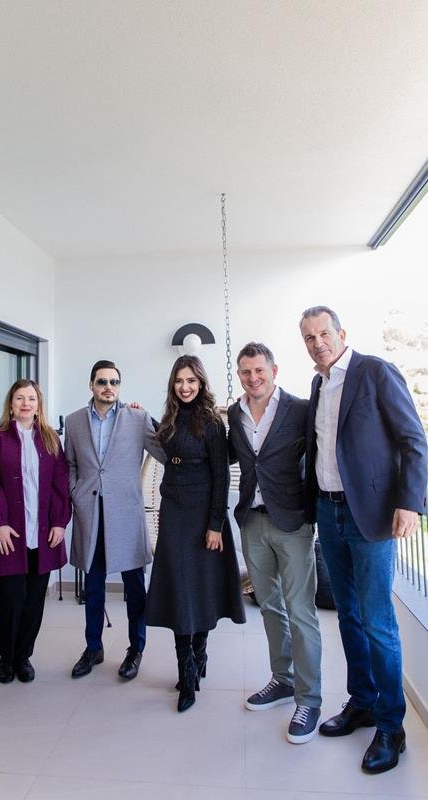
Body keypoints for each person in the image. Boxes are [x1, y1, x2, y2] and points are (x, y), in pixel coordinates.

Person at [300, 305, 427, 774]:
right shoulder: (317, 384)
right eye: (309, 338)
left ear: (341, 333)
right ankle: (364, 702)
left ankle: (392, 727)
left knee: (377, 621)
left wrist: (409, 503)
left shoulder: (375, 372)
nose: (318, 343)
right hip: (328, 511)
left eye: (324, 334)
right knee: (348, 614)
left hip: (370, 516)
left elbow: (414, 440)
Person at [228, 342, 322, 743]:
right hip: (253, 522)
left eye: (259, 371)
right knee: (269, 606)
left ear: (274, 370)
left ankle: (309, 699)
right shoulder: (234, 414)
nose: (253, 378)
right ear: (239, 375)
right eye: (246, 372)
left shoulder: (300, 410)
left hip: (292, 523)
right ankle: (282, 679)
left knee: (301, 612)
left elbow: (321, 454)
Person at [146, 355, 245, 712]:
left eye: (191, 381)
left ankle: (199, 654)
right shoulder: (170, 418)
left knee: (202, 590)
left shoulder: (212, 423)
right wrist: (140, 414)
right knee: (179, 590)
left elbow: (221, 475)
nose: (185, 387)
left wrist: (216, 524)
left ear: (201, 383)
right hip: (174, 512)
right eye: (179, 381)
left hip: (204, 514)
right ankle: (186, 673)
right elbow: (162, 444)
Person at [64, 360, 165, 681]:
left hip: (126, 516)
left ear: (119, 386)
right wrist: (76, 493)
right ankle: (93, 648)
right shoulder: (75, 421)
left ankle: (136, 649)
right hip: (91, 514)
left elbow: (166, 452)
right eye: (102, 381)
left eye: (114, 382)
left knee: (135, 589)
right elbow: (70, 464)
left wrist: (154, 419)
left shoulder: (137, 419)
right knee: (93, 588)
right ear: (91, 385)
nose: (109, 387)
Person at [0, 379, 71, 684]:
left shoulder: (51, 440)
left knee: (34, 599)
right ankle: (6, 659)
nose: (26, 403)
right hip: (9, 533)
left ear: (38, 405)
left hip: (42, 534)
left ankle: (23, 657)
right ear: (11, 404)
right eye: (20, 398)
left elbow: (60, 485)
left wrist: (59, 522)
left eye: (31, 398)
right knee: (9, 597)